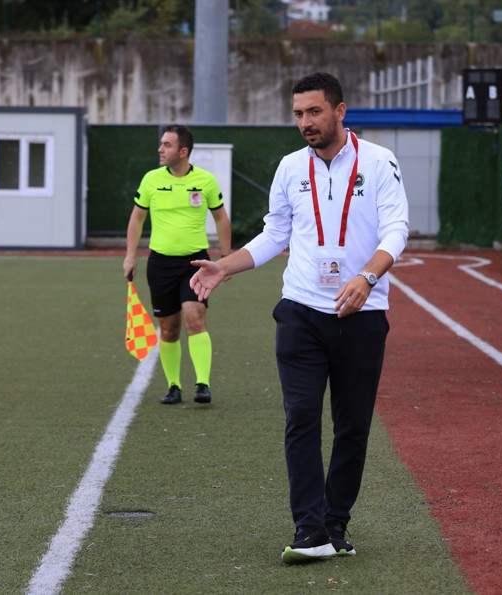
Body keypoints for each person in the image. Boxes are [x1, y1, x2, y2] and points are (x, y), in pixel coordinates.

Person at [189, 72, 409, 562]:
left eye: (314, 112)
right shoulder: (290, 168)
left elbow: (396, 228)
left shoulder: (379, 162)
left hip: (363, 312)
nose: (305, 122)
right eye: (298, 114)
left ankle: (336, 523)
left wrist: (368, 277)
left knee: (352, 426)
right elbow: (274, 234)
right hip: (301, 312)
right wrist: (225, 266)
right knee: (302, 417)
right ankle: (309, 528)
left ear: (339, 110)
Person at [123, 124, 232, 405]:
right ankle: (173, 385)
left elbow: (221, 218)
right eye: (161, 144)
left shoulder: (206, 181)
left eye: (167, 145)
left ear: (183, 151)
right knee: (169, 328)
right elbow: (137, 218)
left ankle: (203, 385)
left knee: (194, 318)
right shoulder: (151, 180)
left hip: (195, 263)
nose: (160, 149)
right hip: (159, 264)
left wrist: (227, 258)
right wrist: (130, 255)